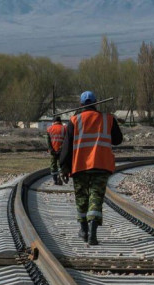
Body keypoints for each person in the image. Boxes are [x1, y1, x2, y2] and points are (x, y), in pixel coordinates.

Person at [57, 91, 123, 245]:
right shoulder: (108, 119)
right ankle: (93, 231)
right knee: (96, 197)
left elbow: (66, 147)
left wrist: (64, 168)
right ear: (96, 103)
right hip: (101, 165)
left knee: (82, 198)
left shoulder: (74, 120)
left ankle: (84, 231)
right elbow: (118, 140)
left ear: (81, 105)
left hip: (80, 166)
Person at [46, 116, 67, 185]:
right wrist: (61, 149)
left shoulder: (49, 129)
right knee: (61, 164)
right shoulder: (64, 128)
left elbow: (48, 141)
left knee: (53, 165)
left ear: (53, 122)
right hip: (62, 151)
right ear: (60, 121)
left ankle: (55, 180)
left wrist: (51, 150)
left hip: (53, 151)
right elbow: (66, 140)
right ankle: (61, 176)